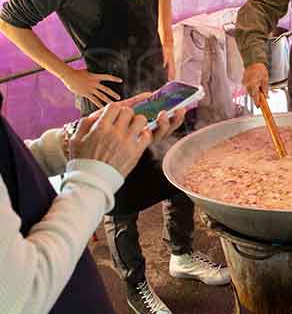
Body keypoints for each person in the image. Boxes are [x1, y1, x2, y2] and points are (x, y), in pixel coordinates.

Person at [0, 0, 229, 314]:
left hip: (156, 87)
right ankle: (135, 284)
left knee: (178, 169)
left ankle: (181, 254)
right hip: (105, 96)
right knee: (116, 194)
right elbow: (10, 19)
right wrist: (69, 75)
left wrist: (166, 40)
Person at [0, 88, 186, 314]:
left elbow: (7, 163)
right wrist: (93, 176)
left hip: (66, 277)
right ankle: (136, 286)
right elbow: (21, 296)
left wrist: (72, 142)